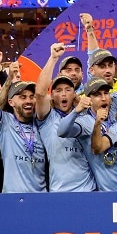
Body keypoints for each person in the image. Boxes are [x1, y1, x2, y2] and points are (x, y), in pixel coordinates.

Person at [0, 50, 47, 193]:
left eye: (31, 96)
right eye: (22, 97)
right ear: (11, 102)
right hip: (12, 198)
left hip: (41, 198)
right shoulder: (4, 123)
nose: (29, 101)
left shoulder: (43, 123)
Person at [35, 43, 95, 192]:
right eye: (58, 90)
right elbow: (40, 92)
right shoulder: (46, 118)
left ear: (74, 93)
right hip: (60, 191)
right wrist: (53, 58)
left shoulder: (84, 115)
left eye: (68, 90)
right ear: (52, 95)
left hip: (88, 190)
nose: (63, 94)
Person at [57, 77, 117, 191]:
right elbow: (61, 131)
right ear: (89, 99)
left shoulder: (115, 106)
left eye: (106, 93)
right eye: (98, 95)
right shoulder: (84, 121)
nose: (104, 98)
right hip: (108, 189)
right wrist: (76, 111)